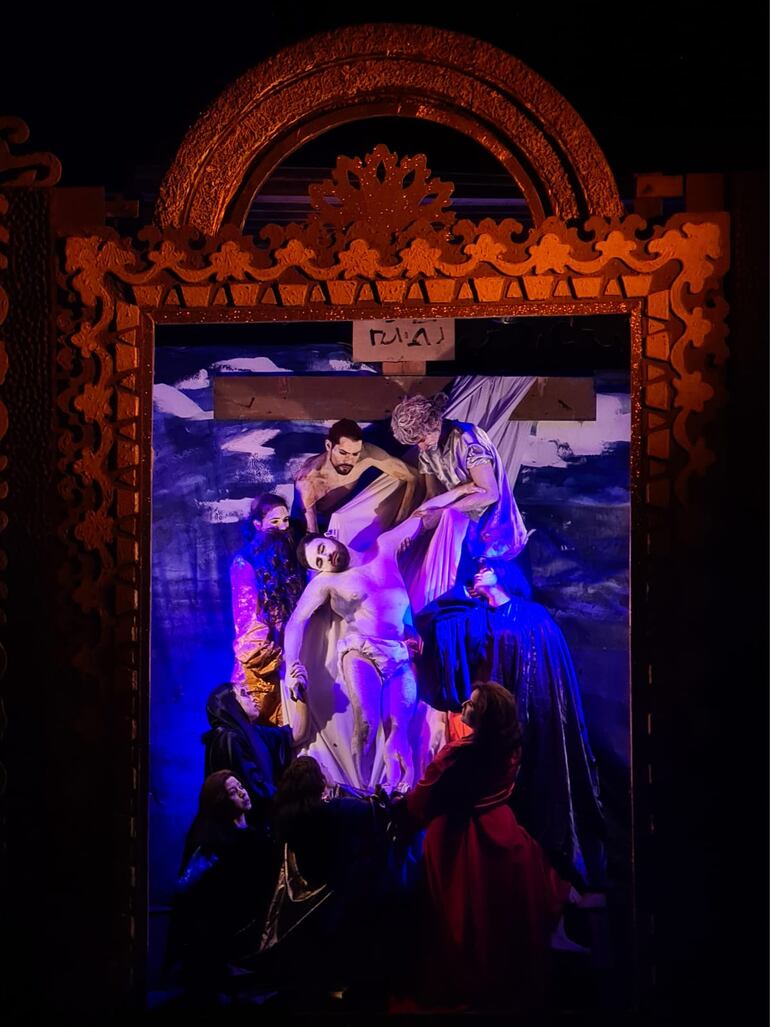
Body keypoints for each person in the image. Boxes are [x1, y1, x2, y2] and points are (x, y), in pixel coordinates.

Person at [417, 556, 606, 887]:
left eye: (487, 568)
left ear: (504, 573)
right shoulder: (477, 616)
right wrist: (462, 594)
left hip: (538, 719)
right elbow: (434, 620)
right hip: (499, 725)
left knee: (538, 785)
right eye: (478, 570)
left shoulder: (533, 615)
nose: (480, 573)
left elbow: (550, 672)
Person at [392, 682, 570, 1015]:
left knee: (459, 916)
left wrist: (398, 811)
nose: (464, 704)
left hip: (456, 840)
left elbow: (420, 803)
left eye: (472, 704)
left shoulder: (457, 754)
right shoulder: (509, 749)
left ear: (485, 716)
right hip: (499, 825)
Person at [282, 516, 437, 792]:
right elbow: (296, 622)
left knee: (399, 730)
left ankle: (396, 793)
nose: (326, 558)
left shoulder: (384, 548)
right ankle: (362, 791)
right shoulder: (326, 582)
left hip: (399, 654)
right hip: (361, 651)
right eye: (319, 562)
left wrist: (460, 501)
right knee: (366, 724)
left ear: (329, 538)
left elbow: (423, 519)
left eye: (322, 550)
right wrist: (293, 662)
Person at [390, 392, 529, 612]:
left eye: (421, 439)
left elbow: (489, 493)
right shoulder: (428, 450)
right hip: (466, 536)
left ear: (433, 423)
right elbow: (432, 495)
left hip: (496, 533)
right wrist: (414, 530)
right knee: (473, 602)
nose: (420, 446)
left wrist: (443, 512)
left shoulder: (468, 440)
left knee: (509, 599)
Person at [168, 770, 276, 1005]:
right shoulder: (210, 840)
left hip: (252, 926)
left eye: (241, 787)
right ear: (221, 801)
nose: (243, 793)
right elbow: (192, 888)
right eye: (233, 792)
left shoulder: (257, 835)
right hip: (219, 933)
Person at [229, 493, 305, 725]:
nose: (282, 527)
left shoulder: (289, 554)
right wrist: (281, 658)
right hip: (262, 670)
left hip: (290, 659)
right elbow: (248, 626)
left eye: (285, 520)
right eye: (274, 522)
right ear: (257, 524)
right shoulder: (246, 563)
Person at [294, 418, 417, 534]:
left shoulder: (365, 454)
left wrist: (401, 520)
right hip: (319, 522)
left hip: (356, 505)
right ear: (328, 446)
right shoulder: (308, 483)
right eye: (343, 453)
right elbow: (312, 537)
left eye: (355, 454)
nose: (349, 460)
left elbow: (411, 476)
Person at [203, 680, 297, 821]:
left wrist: (299, 690)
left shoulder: (252, 732)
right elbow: (255, 788)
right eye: (244, 694)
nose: (253, 698)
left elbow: (297, 734)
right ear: (231, 704)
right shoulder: (228, 737)